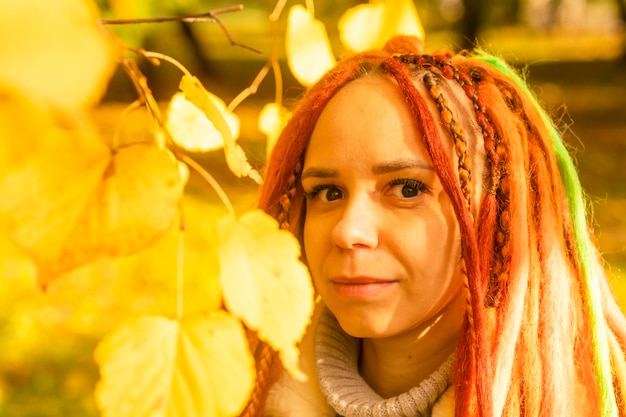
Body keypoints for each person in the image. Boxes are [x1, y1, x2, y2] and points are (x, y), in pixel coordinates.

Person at [239, 35, 626, 417]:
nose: (348, 230)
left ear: (494, 208)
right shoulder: (234, 388)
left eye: (407, 188)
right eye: (327, 192)